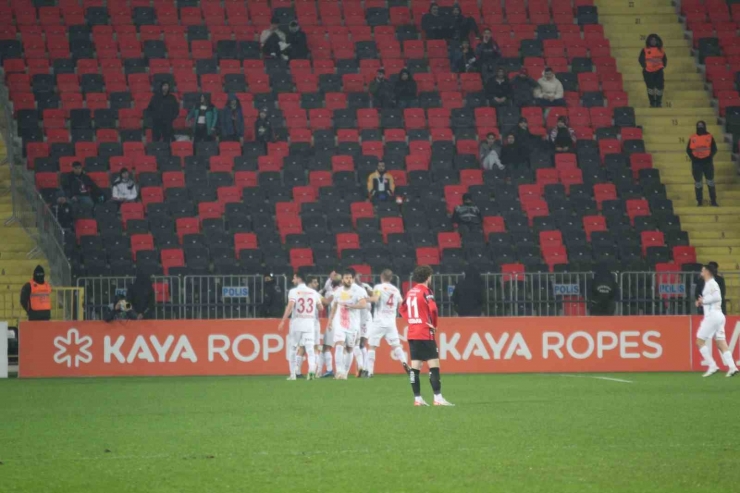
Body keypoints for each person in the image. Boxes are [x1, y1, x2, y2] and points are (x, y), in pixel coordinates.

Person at [402, 265, 454, 406]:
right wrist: (434, 325)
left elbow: (402, 309)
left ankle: (417, 399)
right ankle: (438, 398)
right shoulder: (426, 291)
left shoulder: (410, 292)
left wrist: (412, 321)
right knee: (434, 365)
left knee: (415, 367)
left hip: (412, 332)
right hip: (425, 332)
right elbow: (433, 309)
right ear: (427, 277)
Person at [694, 263, 738, 377]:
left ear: (707, 272)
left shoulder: (711, 284)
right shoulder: (709, 284)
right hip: (718, 315)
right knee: (720, 342)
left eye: (703, 270)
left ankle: (712, 365)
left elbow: (717, 297)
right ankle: (732, 367)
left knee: (699, 342)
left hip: (712, 316)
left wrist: (703, 300)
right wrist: (702, 301)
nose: (701, 272)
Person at [365, 269, 410, 378]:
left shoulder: (378, 287)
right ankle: (406, 365)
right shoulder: (395, 290)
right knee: (396, 346)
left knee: (372, 346)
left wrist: (365, 299)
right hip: (391, 322)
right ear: (391, 278)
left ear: (381, 276)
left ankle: (370, 372)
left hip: (379, 322)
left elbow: (375, 298)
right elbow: (401, 303)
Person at [278, 270, 323, 380]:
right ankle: (311, 370)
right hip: (310, 324)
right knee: (310, 349)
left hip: (296, 324)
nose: (293, 280)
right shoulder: (313, 293)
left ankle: (293, 374)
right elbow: (321, 308)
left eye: (294, 278)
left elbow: (290, 306)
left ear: (299, 279)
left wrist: (283, 320)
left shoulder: (293, 291)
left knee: (293, 349)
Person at [324, 268, 368, 380]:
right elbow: (334, 306)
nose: (348, 280)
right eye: (346, 278)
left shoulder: (358, 290)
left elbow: (363, 304)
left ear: (353, 279)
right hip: (339, 324)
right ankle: (339, 371)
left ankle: (345, 373)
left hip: (353, 325)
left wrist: (352, 306)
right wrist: (330, 321)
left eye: (350, 278)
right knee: (338, 345)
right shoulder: (338, 291)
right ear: (342, 279)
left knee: (349, 349)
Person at [687, 120, 719, 207]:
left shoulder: (710, 137)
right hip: (697, 164)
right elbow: (688, 150)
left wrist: (709, 157)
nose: (700, 127)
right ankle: (699, 202)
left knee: (710, 182)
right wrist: (694, 159)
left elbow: (714, 149)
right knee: (698, 183)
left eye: (701, 125)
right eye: (698, 125)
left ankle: (713, 201)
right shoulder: (692, 137)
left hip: (707, 163)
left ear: (704, 126)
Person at [318, 272, 342, 378]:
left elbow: (326, 302)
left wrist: (316, 294)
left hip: (334, 322)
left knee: (326, 347)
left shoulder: (334, 293)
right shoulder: (345, 292)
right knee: (344, 348)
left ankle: (330, 370)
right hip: (344, 322)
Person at [638, 34, 666, 108]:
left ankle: (658, 102)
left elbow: (664, 60)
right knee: (650, 88)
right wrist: (645, 66)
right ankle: (652, 103)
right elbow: (641, 59)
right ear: (649, 41)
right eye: (651, 40)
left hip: (658, 71)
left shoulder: (661, 50)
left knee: (660, 87)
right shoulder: (645, 50)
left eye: (655, 40)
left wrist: (662, 67)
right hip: (648, 72)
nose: (653, 41)